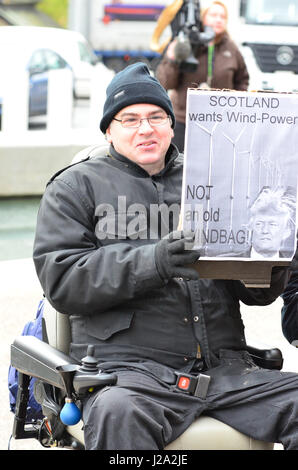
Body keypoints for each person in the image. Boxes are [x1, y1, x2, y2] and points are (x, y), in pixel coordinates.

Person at [33, 62, 298, 450]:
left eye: (157, 116)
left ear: (172, 125)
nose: (146, 128)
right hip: (128, 374)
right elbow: (63, 281)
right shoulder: (75, 187)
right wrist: (152, 263)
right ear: (109, 129)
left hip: (226, 371)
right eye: (130, 119)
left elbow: (256, 294)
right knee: (117, 412)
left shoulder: (214, 177)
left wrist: (273, 257)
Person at [155, 0, 249, 152]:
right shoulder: (186, 43)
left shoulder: (231, 48)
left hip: (221, 124)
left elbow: (242, 79)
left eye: (223, 16)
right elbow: (165, 82)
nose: (219, 19)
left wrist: (236, 106)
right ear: (203, 17)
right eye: (213, 15)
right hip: (184, 122)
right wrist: (172, 58)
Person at [248, 187, 296, 259]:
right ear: (251, 227)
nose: (265, 230)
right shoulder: (229, 263)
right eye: (259, 224)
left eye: (272, 225)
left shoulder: (292, 267)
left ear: (286, 232)